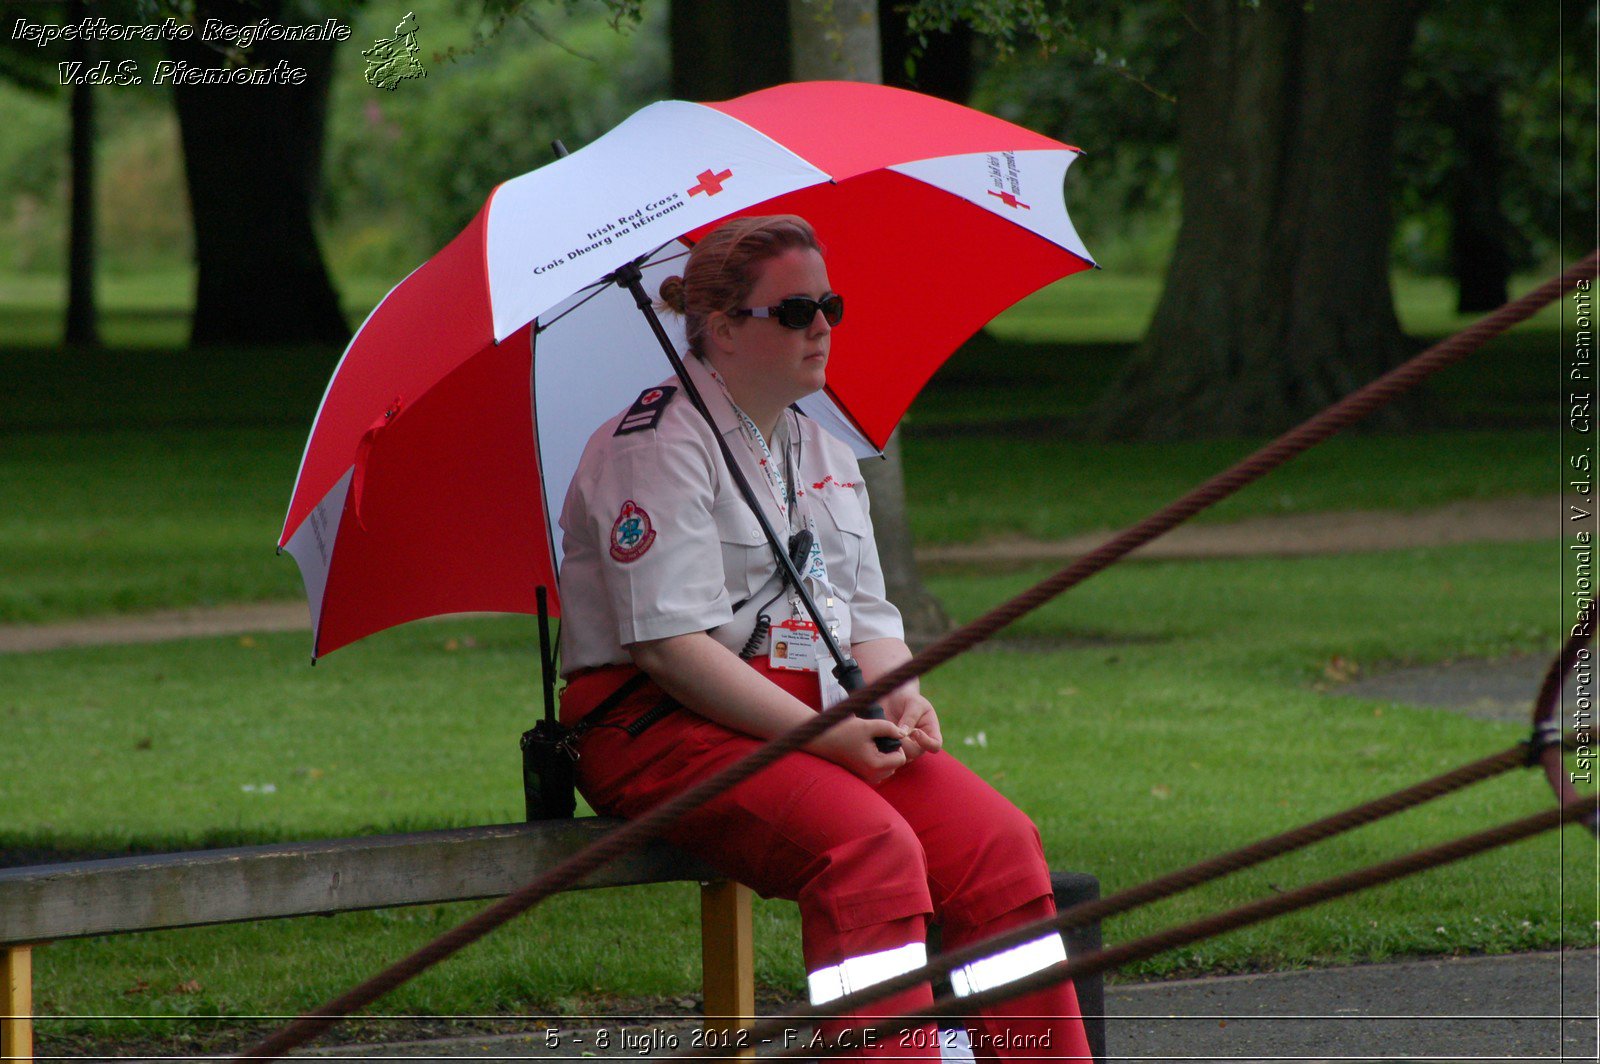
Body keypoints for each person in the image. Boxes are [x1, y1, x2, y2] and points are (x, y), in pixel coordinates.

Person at [557, 215, 1092, 1062]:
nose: (822, 327)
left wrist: (899, 699)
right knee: (870, 852)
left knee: (999, 845)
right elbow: (670, 651)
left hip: (807, 719)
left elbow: (868, 616)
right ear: (724, 330)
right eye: (796, 309)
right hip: (655, 728)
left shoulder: (818, 442)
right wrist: (833, 736)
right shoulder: (654, 447)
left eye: (830, 305)